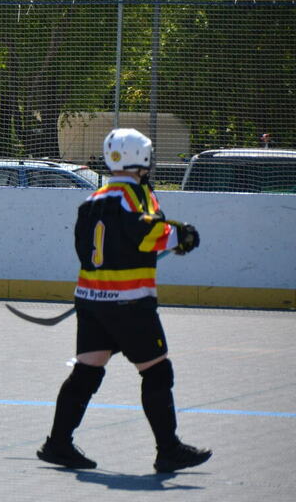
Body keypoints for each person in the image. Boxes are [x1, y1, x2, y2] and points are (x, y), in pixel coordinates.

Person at [37, 128, 212, 473]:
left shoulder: (94, 198)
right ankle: (168, 450)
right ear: (142, 158)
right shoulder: (135, 194)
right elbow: (143, 230)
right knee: (157, 372)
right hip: (129, 302)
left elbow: (91, 246)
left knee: (87, 372)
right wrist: (179, 235)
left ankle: (57, 443)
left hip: (91, 299)